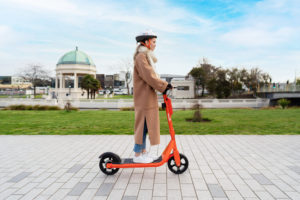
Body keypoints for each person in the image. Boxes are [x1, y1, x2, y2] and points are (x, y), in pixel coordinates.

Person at [133, 30, 173, 163]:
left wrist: (163, 86)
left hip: (147, 96)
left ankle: (143, 152)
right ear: (146, 42)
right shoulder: (141, 57)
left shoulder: (145, 56)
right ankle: (138, 155)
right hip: (143, 97)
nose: (155, 45)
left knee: (145, 126)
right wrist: (164, 85)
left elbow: (151, 76)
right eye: (154, 42)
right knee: (142, 126)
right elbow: (149, 76)